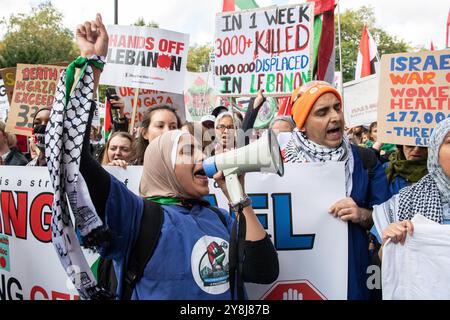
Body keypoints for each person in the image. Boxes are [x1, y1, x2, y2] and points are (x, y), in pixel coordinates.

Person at [47, 14, 279, 300]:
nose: (201, 158)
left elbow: (263, 272)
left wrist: (240, 199)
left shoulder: (219, 217)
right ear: (163, 166)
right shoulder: (135, 216)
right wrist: (93, 66)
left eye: (200, 150)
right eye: (186, 151)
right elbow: (75, 159)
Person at [283, 81, 390, 300]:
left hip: (353, 279)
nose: (335, 117)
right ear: (302, 124)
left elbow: (388, 220)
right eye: (322, 112)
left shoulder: (365, 160)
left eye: (337, 107)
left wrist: (362, 215)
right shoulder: (278, 164)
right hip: (298, 278)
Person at [373, 117, 450, 256]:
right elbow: (384, 259)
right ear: (435, 150)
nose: (416, 150)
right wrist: (389, 243)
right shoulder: (404, 200)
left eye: (422, 146)